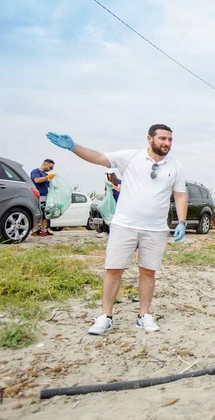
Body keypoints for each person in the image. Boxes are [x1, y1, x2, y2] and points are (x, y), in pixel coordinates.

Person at [45, 124, 188, 335]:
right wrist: (74, 147)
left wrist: (182, 222)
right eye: (163, 139)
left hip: (156, 229)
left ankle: (144, 315)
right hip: (125, 225)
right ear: (150, 138)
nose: (167, 143)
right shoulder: (131, 157)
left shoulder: (175, 165)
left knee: (148, 271)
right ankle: (105, 316)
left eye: (170, 139)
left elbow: (180, 195)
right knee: (114, 269)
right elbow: (99, 157)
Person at [30, 159, 56, 237]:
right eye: (50, 167)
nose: (51, 169)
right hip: (38, 195)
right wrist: (47, 177)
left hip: (45, 196)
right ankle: (34, 230)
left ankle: (43, 230)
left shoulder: (45, 174)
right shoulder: (35, 171)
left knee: (44, 214)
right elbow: (37, 180)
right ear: (45, 164)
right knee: (38, 213)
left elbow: (48, 185)